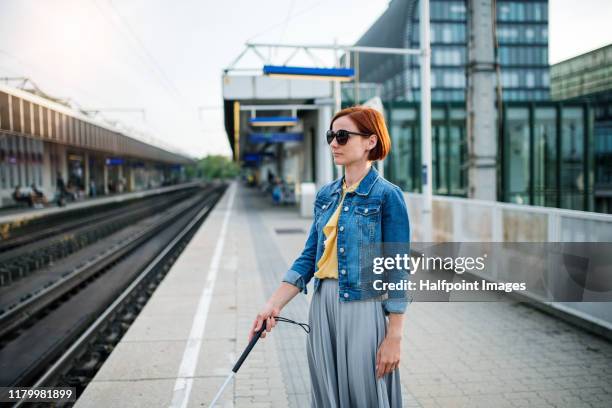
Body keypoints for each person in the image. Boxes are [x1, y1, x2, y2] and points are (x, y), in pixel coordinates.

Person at [249, 106, 411, 407]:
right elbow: (309, 258)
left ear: (370, 142)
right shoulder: (327, 195)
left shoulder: (388, 196)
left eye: (342, 136)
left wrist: (395, 336)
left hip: (363, 306)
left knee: (366, 393)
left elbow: (398, 269)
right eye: (331, 136)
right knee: (327, 394)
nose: (334, 143)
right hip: (323, 305)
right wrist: (271, 305)